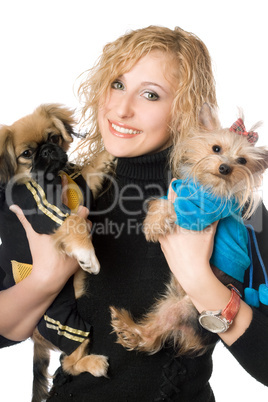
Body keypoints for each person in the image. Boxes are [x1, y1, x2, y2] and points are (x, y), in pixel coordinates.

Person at [0, 25, 268, 401]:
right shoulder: (67, 190)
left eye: (150, 94)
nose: (121, 109)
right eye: (116, 84)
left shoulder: (223, 199)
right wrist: (44, 279)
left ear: (186, 109)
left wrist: (199, 280)